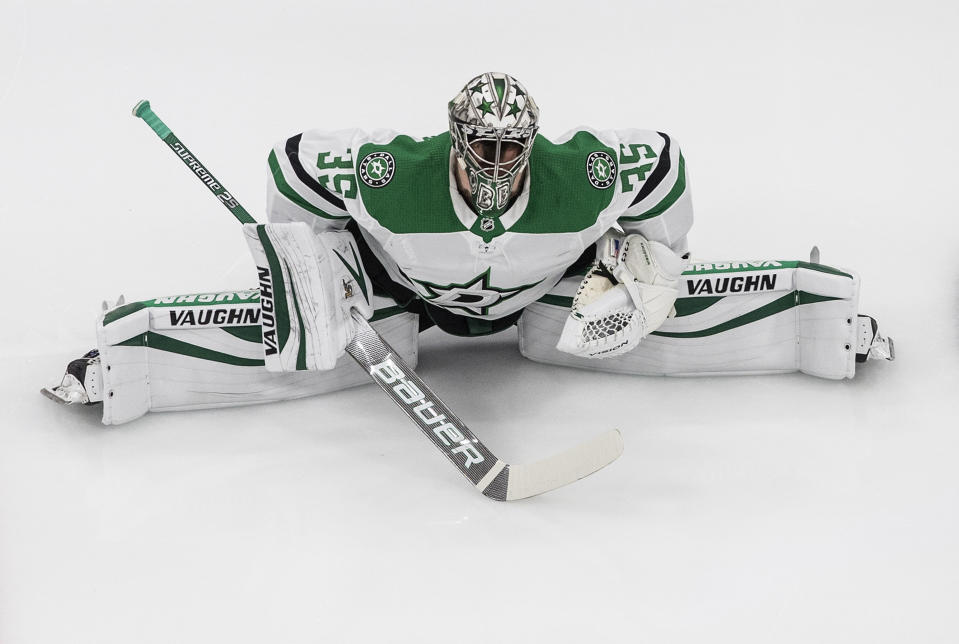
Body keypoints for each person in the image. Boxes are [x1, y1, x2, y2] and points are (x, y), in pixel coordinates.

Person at [43, 72, 893, 424]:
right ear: (453, 141)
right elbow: (292, 165)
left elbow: (663, 166)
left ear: (532, 141)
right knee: (315, 341)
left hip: (539, 296)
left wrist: (651, 262)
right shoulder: (384, 168)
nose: (497, 166)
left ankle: (820, 321)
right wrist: (316, 266)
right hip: (404, 295)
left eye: (511, 150)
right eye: (481, 150)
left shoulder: (589, 167)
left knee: (615, 332)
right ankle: (128, 362)